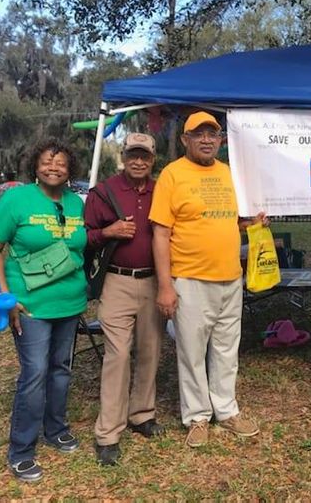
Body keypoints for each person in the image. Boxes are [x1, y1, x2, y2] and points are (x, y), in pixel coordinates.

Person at [150, 111, 267, 448]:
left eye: (212, 134)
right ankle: (197, 417)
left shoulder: (230, 174)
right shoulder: (172, 175)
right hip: (190, 279)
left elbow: (230, 221)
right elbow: (160, 234)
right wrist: (165, 285)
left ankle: (227, 411)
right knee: (191, 351)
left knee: (227, 349)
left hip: (231, 278)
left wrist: (251, 223)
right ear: (185, 139)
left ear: (220, 140)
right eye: (198, 134)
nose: (205, 139)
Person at [0, 139, 87, 482]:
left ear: (70, 168)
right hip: (31, 307)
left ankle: (55, 429)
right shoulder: (16, 199)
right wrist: (5, 296)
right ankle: (21, 450)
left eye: (60, 163)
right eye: (46, 162)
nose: (53, 167)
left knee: (61, 368)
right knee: (35, 374)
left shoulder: (75, 203)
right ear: (35, 166)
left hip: (69, 303)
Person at [85, 133, 164, 466]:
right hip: (117, 280)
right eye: (132, 154)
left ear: (152, 159)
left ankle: (142, 414)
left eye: (144, 156)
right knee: (117, 356)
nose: (138, 161)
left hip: (154, 281)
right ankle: (108, 433)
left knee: (150, 350)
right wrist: (108, 232)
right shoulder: (104, 192)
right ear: (123, 156)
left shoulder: (162, 189)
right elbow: (83, 238)